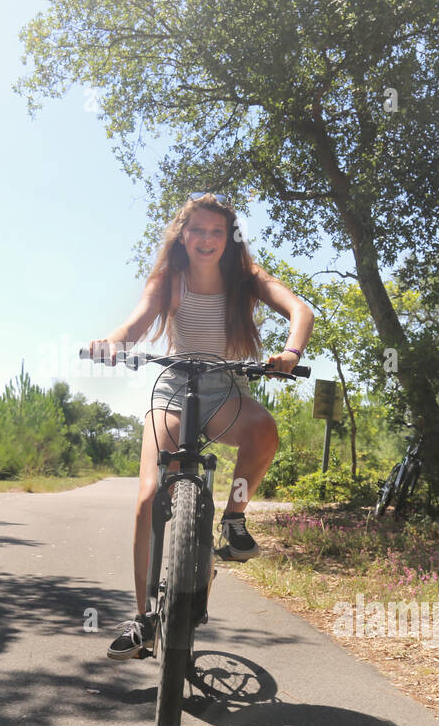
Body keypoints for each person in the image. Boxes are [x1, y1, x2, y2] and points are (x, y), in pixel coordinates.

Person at [88, 193, 314, 660]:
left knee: (264, 433)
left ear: (229, 239)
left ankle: (232, 520)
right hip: (173, 387)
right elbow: (136, 323)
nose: (207, 239)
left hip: (226, 389)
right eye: (198, 231)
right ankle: (145, 618)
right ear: (182, 235)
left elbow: (299, 309)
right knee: (150, 496)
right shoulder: (170, 278)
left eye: (217, 231)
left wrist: (291, 352)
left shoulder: (248, 279)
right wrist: (113, 341)